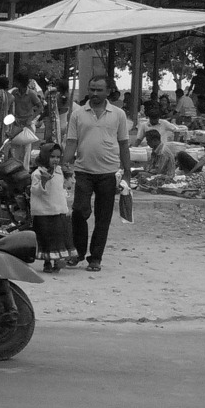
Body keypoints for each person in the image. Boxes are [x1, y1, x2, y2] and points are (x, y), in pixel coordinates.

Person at [62, 75, 132, 273]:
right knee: (79, 212)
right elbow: (71, 142)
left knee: (103, 218)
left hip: (108, 173)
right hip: (83, 171)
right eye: (92, 89)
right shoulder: (78, 114)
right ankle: (78, 253)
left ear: (108, 91)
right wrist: (62, 165)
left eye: (99, 90)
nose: (94, 93)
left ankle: (96, 258)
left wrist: (127, 172)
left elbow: (124, 143)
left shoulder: (118, 114)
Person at [29, 142, 73, 273]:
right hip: (44, 212)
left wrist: (69, 176)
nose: (56, 160)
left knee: (58, 237)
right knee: (46, 237)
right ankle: (47, 262)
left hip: (58, 209)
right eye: (52, 156)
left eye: (58, 157)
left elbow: (65, 187)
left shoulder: (59, 171)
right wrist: (43, 181)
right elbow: (35, 191)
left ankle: (57, 260)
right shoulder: (37, 173)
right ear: (45, 156)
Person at [9, 69, 44, 170]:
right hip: (16, 123)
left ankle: (25, 170)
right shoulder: (14, 93)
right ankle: (15, 169)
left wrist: (31, 119)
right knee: (15, 149)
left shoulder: (32, 94)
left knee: (26, 150)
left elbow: (40, 107)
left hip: (27, 125)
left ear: (20, 82)